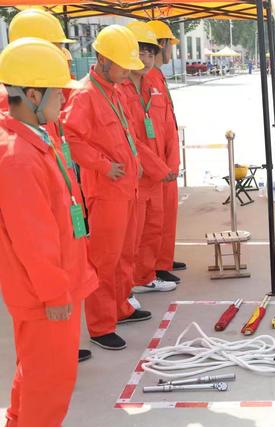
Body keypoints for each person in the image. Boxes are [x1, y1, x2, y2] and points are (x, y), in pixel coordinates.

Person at [0, 37, 99, 427]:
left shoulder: (35, 140)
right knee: (50, 386)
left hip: (50, 287)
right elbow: (32, 238)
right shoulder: (18, 157)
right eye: (58, 93)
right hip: (46, 296)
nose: (64, 100)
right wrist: (56, 293)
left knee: (33, 376)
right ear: (32, 94)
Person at [62, 25, 152, 351]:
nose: (128, 71)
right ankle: (101, 326)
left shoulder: (112, 89)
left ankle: (121, 308)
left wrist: (134, 164)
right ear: (102, 59)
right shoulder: (86, 95)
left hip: (126, 188)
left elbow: (124, 134)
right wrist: (103, 165)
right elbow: (71, 138)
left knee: (125, 255)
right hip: (107, 190)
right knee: (104, 260)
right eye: (122, 64)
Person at [121, 21, 178, 294]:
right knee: (133, 236)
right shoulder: (121, 91)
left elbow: (166, 125)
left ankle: (148, 272)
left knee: (154, 226)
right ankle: (139, 277)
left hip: (155, 170)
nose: (146, 58)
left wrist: (170, 163)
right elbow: (130, 139)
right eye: (140, 52)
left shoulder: (148, 83)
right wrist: (158, 167)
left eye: (149, 52)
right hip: (138, 174)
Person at [147, 20, 186, 284]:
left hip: (166, 162)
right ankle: (155, 266)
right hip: (158, 164)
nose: (172, 50)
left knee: (167, 216)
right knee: (156, 221)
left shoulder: (158, 76)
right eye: (170, 45)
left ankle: (163, 259)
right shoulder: (148, 78)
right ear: (161, 45)